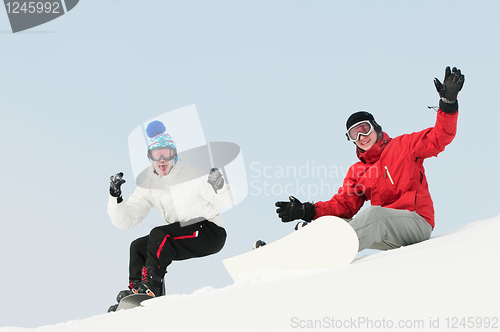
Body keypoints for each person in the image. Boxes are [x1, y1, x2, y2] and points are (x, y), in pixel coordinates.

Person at [275, 66, 465, 252]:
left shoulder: (404, 146)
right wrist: (306, 211)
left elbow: (440, 137)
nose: (361, 137)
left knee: (375, 214)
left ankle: (329, 249)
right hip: (385, 233)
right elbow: (343, 206)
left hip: (416, 222)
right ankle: (298, 250)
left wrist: (448, 103)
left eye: (364, 129)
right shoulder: (357, 172)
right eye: (354, 134)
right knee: (335, 223)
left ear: (375, 127)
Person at [107, 120, 233, 309]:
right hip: (181, 234)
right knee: (139, 247)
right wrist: (115, 197)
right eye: (157, 156)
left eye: (166, 154)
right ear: (150, 159)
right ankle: (137, 289)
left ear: (174, 155)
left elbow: (226, 201)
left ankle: (151, 287)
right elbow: (126, 220)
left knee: (159, 235)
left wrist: (219, 185)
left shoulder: (191, 175)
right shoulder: (148, 186)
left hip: (209, 230)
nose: (162, 161)